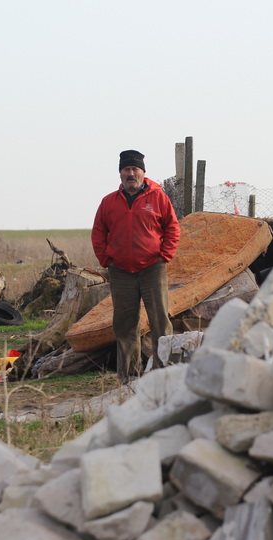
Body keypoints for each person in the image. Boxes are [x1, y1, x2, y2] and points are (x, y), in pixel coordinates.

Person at [91, 149, 181, 382]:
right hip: (121, 272)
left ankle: (166, 372)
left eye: (135, 169)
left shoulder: (158, 198)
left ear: (142, 172)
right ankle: (129, 375)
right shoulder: (109, 202)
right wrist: (106, 259)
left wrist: (165, 255)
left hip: (153, 269)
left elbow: (172, 228)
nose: (131, 173)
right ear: (120, 173)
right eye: (126, 169)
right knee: (125, 324)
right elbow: (98, 232)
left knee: (160, 320)